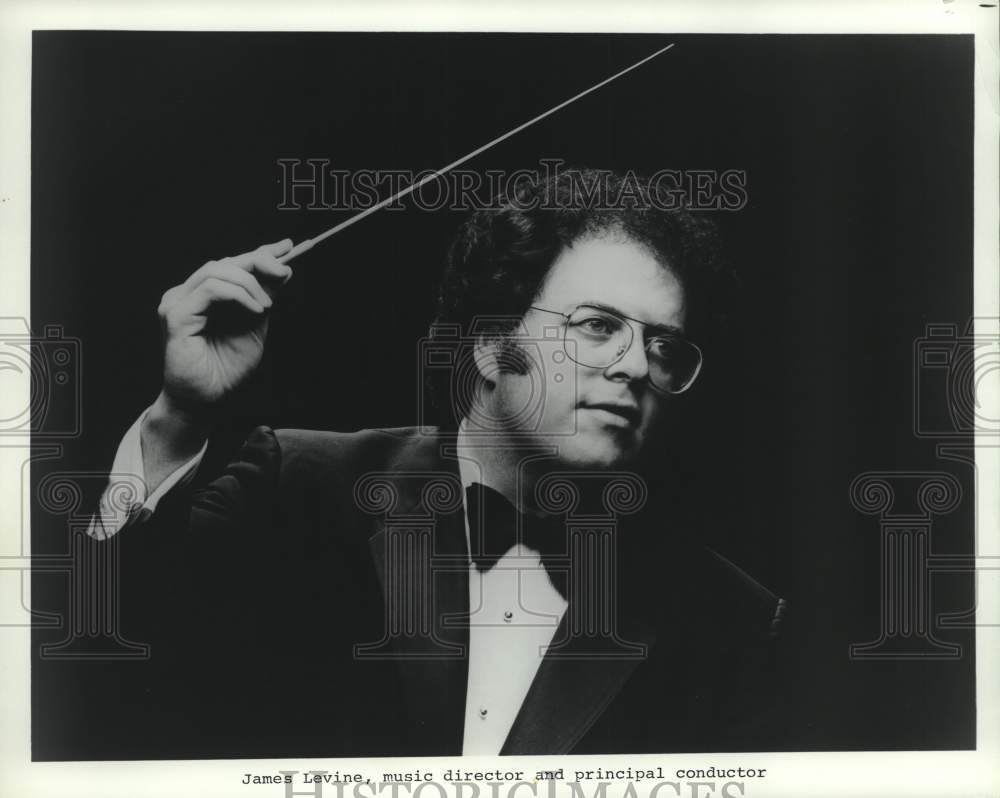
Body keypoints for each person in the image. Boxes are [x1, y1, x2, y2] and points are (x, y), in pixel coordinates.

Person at [85, 168, 786, 759]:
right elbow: (107, 645)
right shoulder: (299, 486)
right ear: (489, 345)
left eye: (664, 346)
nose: (635, 366)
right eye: (598, 326)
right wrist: (175, 421)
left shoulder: (726, 620)